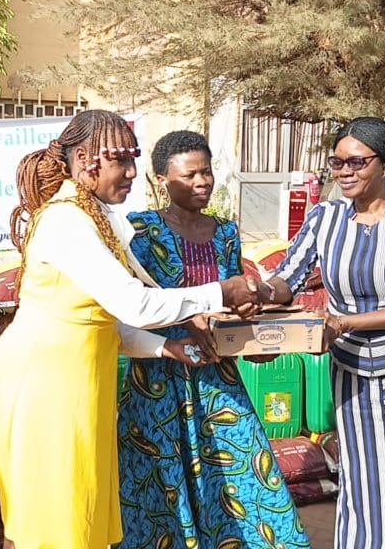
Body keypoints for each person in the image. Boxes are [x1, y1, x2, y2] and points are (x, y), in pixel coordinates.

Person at [0, 110, 261, 549]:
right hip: (43, 389)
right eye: (122, 160)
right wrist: (220, 292)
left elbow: (103, 320)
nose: (133, 173)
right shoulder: (66, 221)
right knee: (47, 527)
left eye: (133, 160)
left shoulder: (96, 216)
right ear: (86, 160)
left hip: (79, 387)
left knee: (71, 519)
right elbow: (134, 304)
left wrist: (165, 348)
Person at [259, 117, 385, 549]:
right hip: (351, 370)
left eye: (356, 162)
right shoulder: (325, 217)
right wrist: (257, 292)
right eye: (337, 163)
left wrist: (346, 322)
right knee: (361, 472)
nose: (344, 172)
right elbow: (288, 277)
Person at [116, 130, 310, 548]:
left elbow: (233, 297)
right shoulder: (140, 232)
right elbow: (137, 303)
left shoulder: (225, 233)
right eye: (189, 175)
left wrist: (250, 324)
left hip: (218, 377)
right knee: (161, 482)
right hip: (158, 377)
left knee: (244, 474)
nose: (202, 182)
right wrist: (188, 318)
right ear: (161, 180)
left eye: (206, 172)